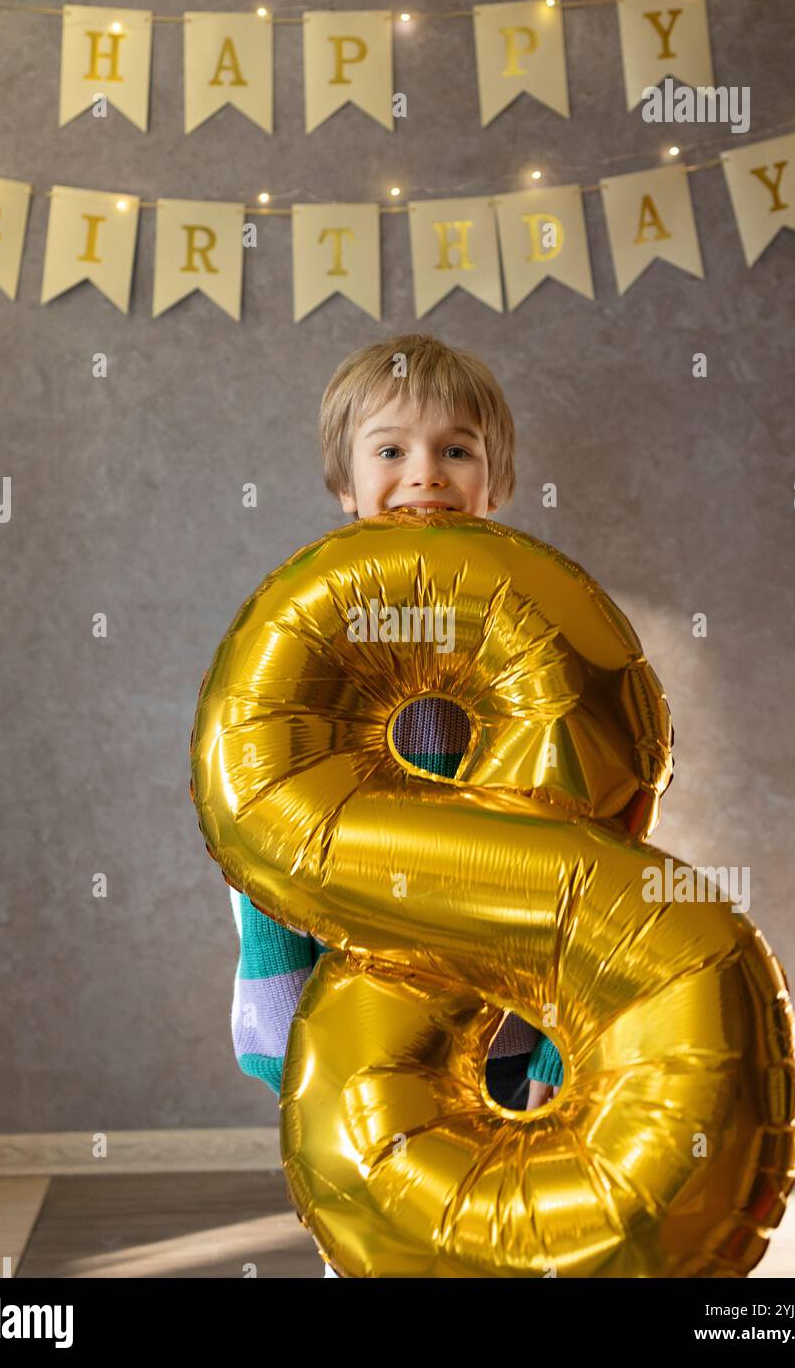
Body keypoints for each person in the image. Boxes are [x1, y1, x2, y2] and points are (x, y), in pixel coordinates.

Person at [231, 333, 568, 1278]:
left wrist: (554, 1028)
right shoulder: (310, 628)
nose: (425, 473)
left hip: (499, 1000)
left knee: (500, 1224)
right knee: (375, 1230)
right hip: (358, 1004)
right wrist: (280, 987)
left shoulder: (534, 624)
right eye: (391, 451)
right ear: (346, 481)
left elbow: (577, 842)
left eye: (455, 450)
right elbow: (266, 813)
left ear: (493, 479)